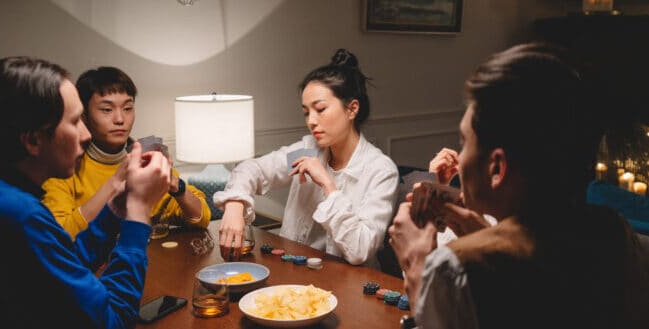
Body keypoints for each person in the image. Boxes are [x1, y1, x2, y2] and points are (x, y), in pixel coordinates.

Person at [388, 43, 649, 328]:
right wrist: (482, 230)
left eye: (464, 143)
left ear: (497, 168)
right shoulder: (614, 233)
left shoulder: (457, 268)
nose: (459, 159)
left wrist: (415, 266)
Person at [0, 57, 171, 328]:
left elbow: (60, 264)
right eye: (75, 121)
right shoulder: (18, 216)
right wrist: (137, 213)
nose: (86, 134)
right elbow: (114, 321)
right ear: (33, 140)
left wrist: (115, 211)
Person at [215, 49, 399, 267]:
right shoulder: (308, 150)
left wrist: (328, 185)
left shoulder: (381, 171)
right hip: (294, 274)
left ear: (352, 109)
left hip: (349, 284)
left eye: (320, 109)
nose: (311, 121)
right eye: (306, 112)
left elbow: (360, 250)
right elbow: (253, 169)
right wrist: (235, 204)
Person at [42, 66, 210, 240]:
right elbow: (59, 237)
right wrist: (117, 181)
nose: (120, 119)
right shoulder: (64, 167)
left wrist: (175, 184)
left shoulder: (145, 158)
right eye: (107, 110)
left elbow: (201, 218)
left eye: (127, 108)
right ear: (83, 115)